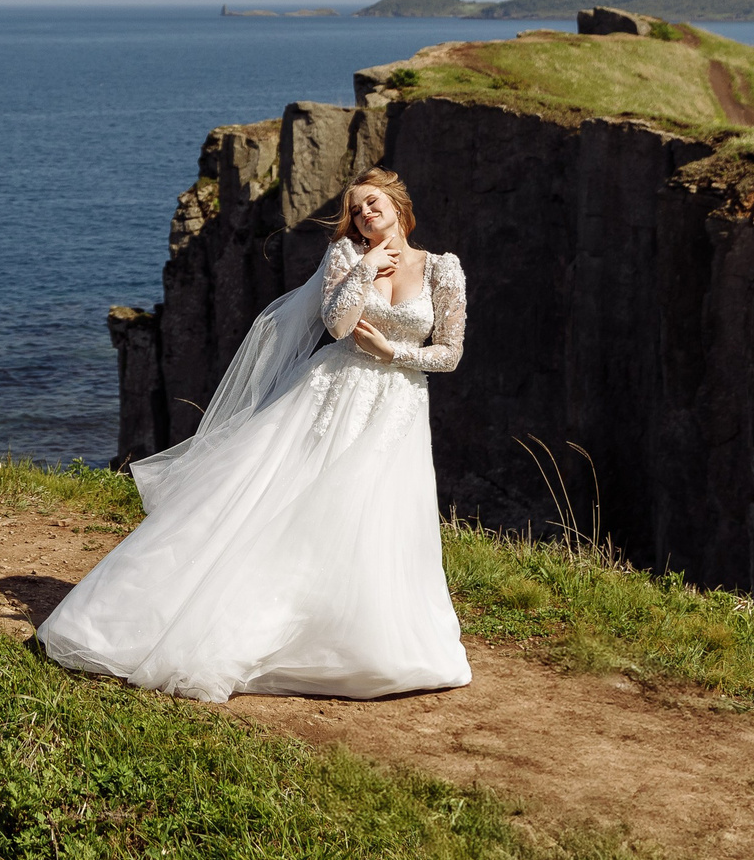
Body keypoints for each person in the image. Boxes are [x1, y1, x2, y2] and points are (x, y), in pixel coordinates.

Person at [38, 170, 473, 702]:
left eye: (372, 203)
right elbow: (336, 327)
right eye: (356, 209)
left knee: (376, 513)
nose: (364, 214)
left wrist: (394, 353)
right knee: (292, 503)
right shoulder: (345, 256)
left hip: (396, 407)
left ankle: (365, 639)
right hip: (330, 393)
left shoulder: (443, 269)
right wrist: (362, 270)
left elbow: (449, 352)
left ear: (398, 205)